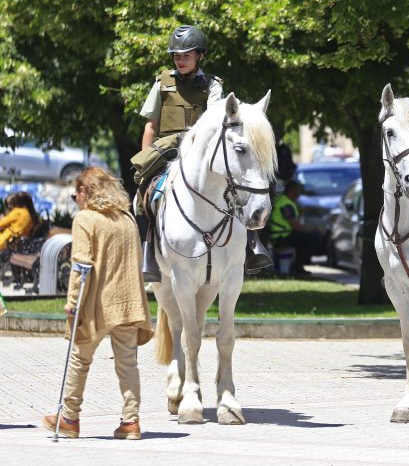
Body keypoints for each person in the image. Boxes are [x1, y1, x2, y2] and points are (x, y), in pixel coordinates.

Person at [131, 24, 269, 279]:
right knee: (142, 197)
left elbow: (215, 121)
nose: (180, 60)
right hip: (165, 148)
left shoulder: (213, 85)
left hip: (200, 149)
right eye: (176, 55)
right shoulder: (162, 83)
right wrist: (146, 162)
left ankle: (252, 243)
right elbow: (151, 125)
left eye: (186, 55)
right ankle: (148, 252)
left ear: (200, 56)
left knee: (237, 188)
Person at [42, 167, 154, 439]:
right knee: (128, 364)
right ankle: (131, 422)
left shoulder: (86, 219)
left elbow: (80, 265)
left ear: (85, 191)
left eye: (75, 192)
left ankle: (69, 418)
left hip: (97, 305)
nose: (74, 198)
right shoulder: (127, 218)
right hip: (129, 303)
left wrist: (72, 303)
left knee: (79, 360)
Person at [269, 180, 324, 275]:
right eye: (297, 193)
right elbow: (297, 226)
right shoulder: (286, 204)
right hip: (281, 237)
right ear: (290, 192)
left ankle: (298, 264)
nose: (298, 196)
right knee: (314, 238)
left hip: (279, 236)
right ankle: (298, 265)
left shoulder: (281, 199)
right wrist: (313, 229)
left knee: (308, 237)